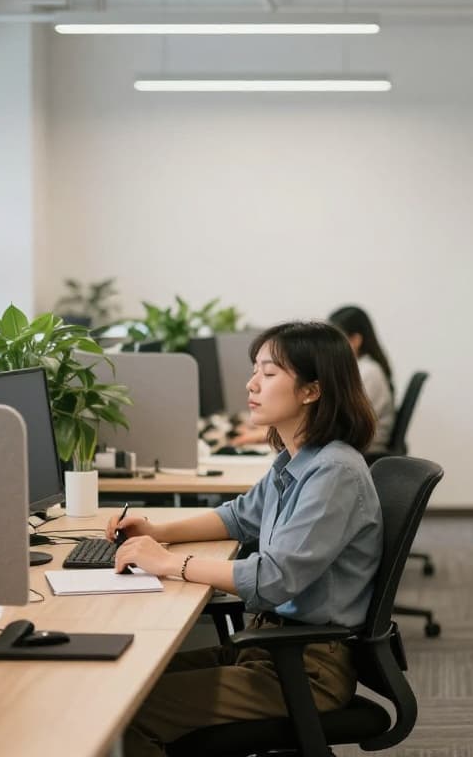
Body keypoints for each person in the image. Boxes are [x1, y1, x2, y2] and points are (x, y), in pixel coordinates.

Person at [113, 321, 382, 757]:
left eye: (269, 373)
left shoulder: (334, 473)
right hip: (270, 652)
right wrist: (157, 531)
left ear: (311, 391)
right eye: (255, 370)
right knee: (122, 679)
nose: (251, 384)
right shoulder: (297, 460)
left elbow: (274, 579)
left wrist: (166, 563)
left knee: (126, 715)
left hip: (307, 669)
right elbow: (239, 517)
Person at [327, 305, 396, 449]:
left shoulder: (369, 372)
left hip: (363, 447)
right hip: (350, 444)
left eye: (336, 340)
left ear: (356, 340)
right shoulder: (356, 368)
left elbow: (350, 422)